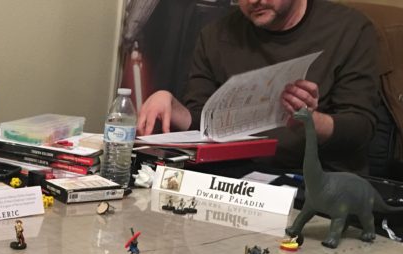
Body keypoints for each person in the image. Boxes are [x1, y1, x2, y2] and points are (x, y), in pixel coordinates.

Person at [136, 0, 379, 173]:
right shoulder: (215, 35)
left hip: (315, 183)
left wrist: (311, 122)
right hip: (234, 178)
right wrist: (175, 107)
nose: (254, 1)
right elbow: (206, 127)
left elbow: (360, 129)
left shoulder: (349, 30)